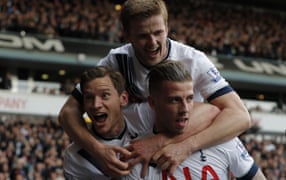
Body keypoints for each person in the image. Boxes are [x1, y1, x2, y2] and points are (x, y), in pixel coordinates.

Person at [58, 0, 251, 177]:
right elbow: (69, 111)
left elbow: (239, 116)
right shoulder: (116, 61)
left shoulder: (193, 60)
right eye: (143, 36)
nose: (152, 43)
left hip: (183, 153)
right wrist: (98, 151)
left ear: (167, 28)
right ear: (127, 35)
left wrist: (174, 144)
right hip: (136, 159)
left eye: (158, 33)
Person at [63, 65, 220, 179]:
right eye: (89, 97)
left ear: (123, 99)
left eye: (104, 96)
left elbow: (210, 111)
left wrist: (158, 141)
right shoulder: (75, 156)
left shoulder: (143, 115)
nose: (96, 104)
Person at [125, 61, 266, 180]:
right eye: (175, 100)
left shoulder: (220, 136)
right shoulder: (138, 155)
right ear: (152, 103)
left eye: (190, 98)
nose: (185, 109)